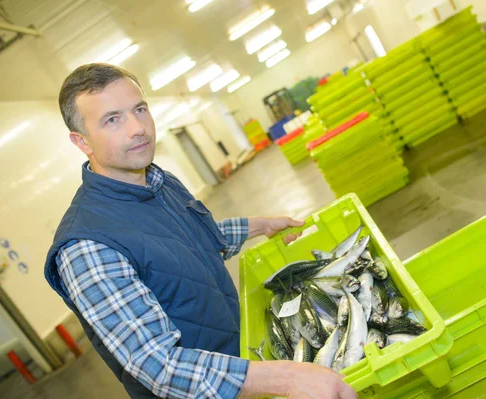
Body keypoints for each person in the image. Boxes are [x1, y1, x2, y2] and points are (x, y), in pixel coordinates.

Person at [44, 63, 357, 399]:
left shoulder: (159, 182)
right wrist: (287, 378)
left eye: (140, 109)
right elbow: (160, 366)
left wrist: (261, 225)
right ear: (82, 141)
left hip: (239, 361)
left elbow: (195, 239)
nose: (137, 128)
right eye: (112, 119)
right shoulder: (87, 246)